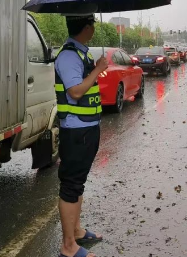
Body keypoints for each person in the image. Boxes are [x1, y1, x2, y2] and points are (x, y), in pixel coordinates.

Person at [55, 15, 109, 257]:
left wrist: (95, 67)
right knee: (71, 185)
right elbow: (75, 91)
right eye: (93, 24)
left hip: (86, 128)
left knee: (78, 183)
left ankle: (76, 232)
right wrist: (97, 70)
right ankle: (68, 247)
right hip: (76, 131)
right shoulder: (68, 56)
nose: (95, 28)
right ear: (86, 27)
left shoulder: (81, 53)